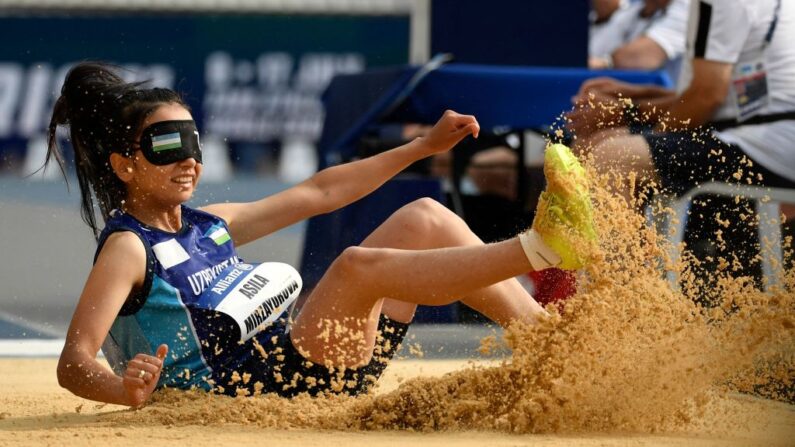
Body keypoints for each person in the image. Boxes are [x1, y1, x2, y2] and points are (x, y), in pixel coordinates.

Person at [49, 62, 598, 407]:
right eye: (167, 147)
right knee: (358, 266)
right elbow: (76, 360)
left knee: (425, 216)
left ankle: (549, 342)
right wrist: (120, 389)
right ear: (124, 166)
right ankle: (540, 247)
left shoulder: (210, 223)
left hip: (307, 364)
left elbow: (320, 192)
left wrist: (422, 148)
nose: (188, 160)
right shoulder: (128, 248)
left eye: (192, 142)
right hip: (268, 390)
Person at [568, 0, 795, 205]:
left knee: (611, 157)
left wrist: (636, 120)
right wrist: (636, 96)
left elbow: (706, 98)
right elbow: (705, 97)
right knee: (594, 143)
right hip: (757, 134)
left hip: (767, 145)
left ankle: (609, 252)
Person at [589, 0, 688, 83]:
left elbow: (638, 57)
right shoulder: (634, 10)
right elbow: (594, 50)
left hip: (677, 103)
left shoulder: (689, 8)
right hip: (636, 98)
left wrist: (605, 63)